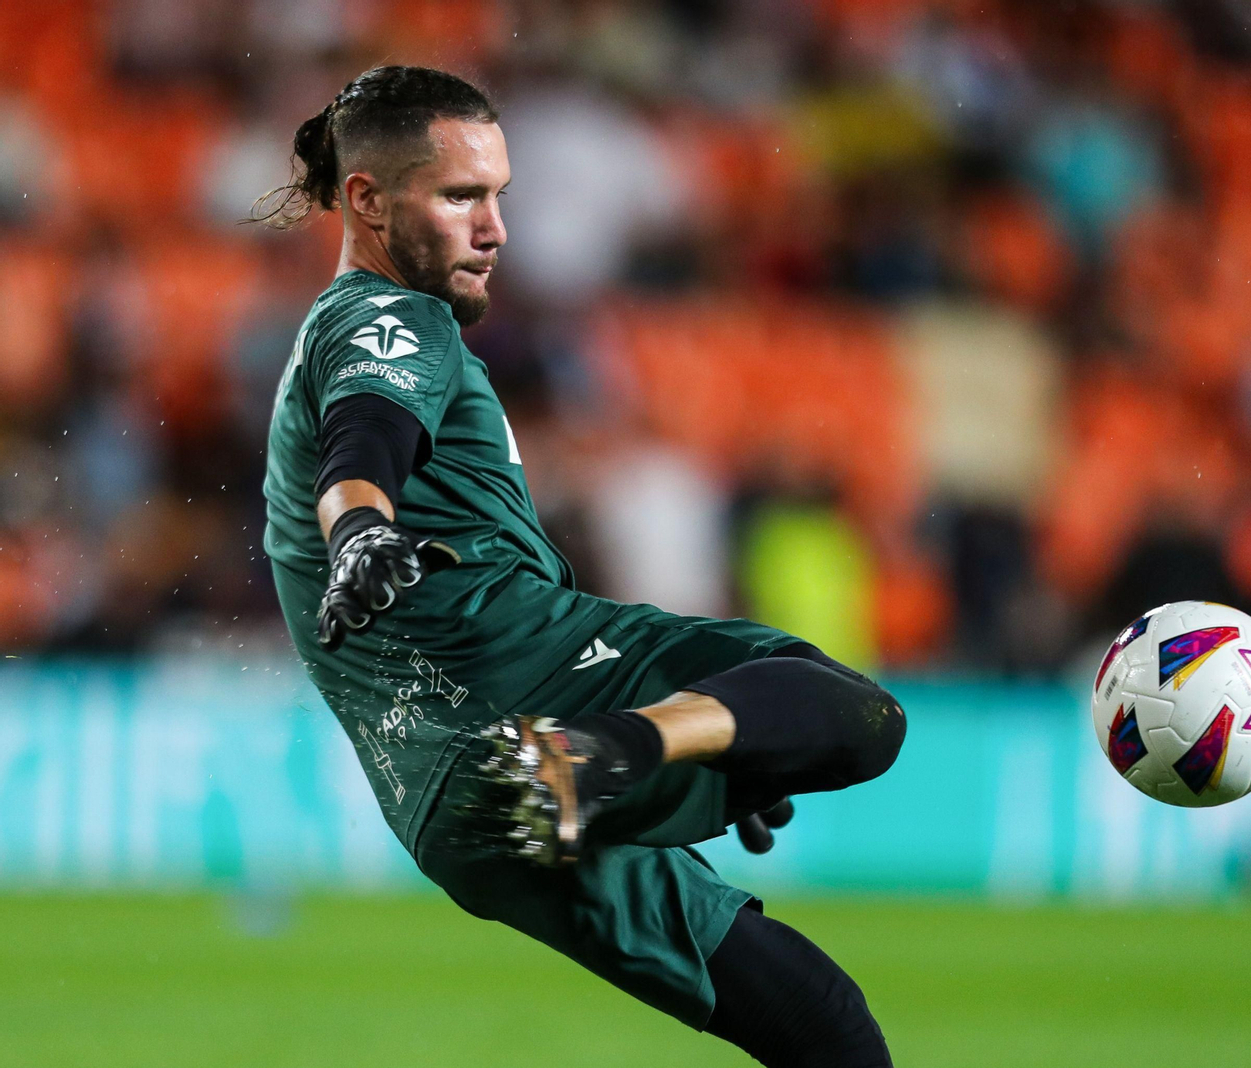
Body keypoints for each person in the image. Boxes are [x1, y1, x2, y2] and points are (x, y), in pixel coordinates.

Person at [256, 66, 904, 1068]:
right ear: (369, 201)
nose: (496, 228)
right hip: (525, 678)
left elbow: (360, 446)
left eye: (500, 195)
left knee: (819, 1021)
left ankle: (627, 752)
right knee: (855, 714)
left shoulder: (333, 340)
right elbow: (364, 448)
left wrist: (712, 739)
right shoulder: (390, 318)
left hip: (458, 803)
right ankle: (615, 749)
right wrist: (362, 533)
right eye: (462, 196)